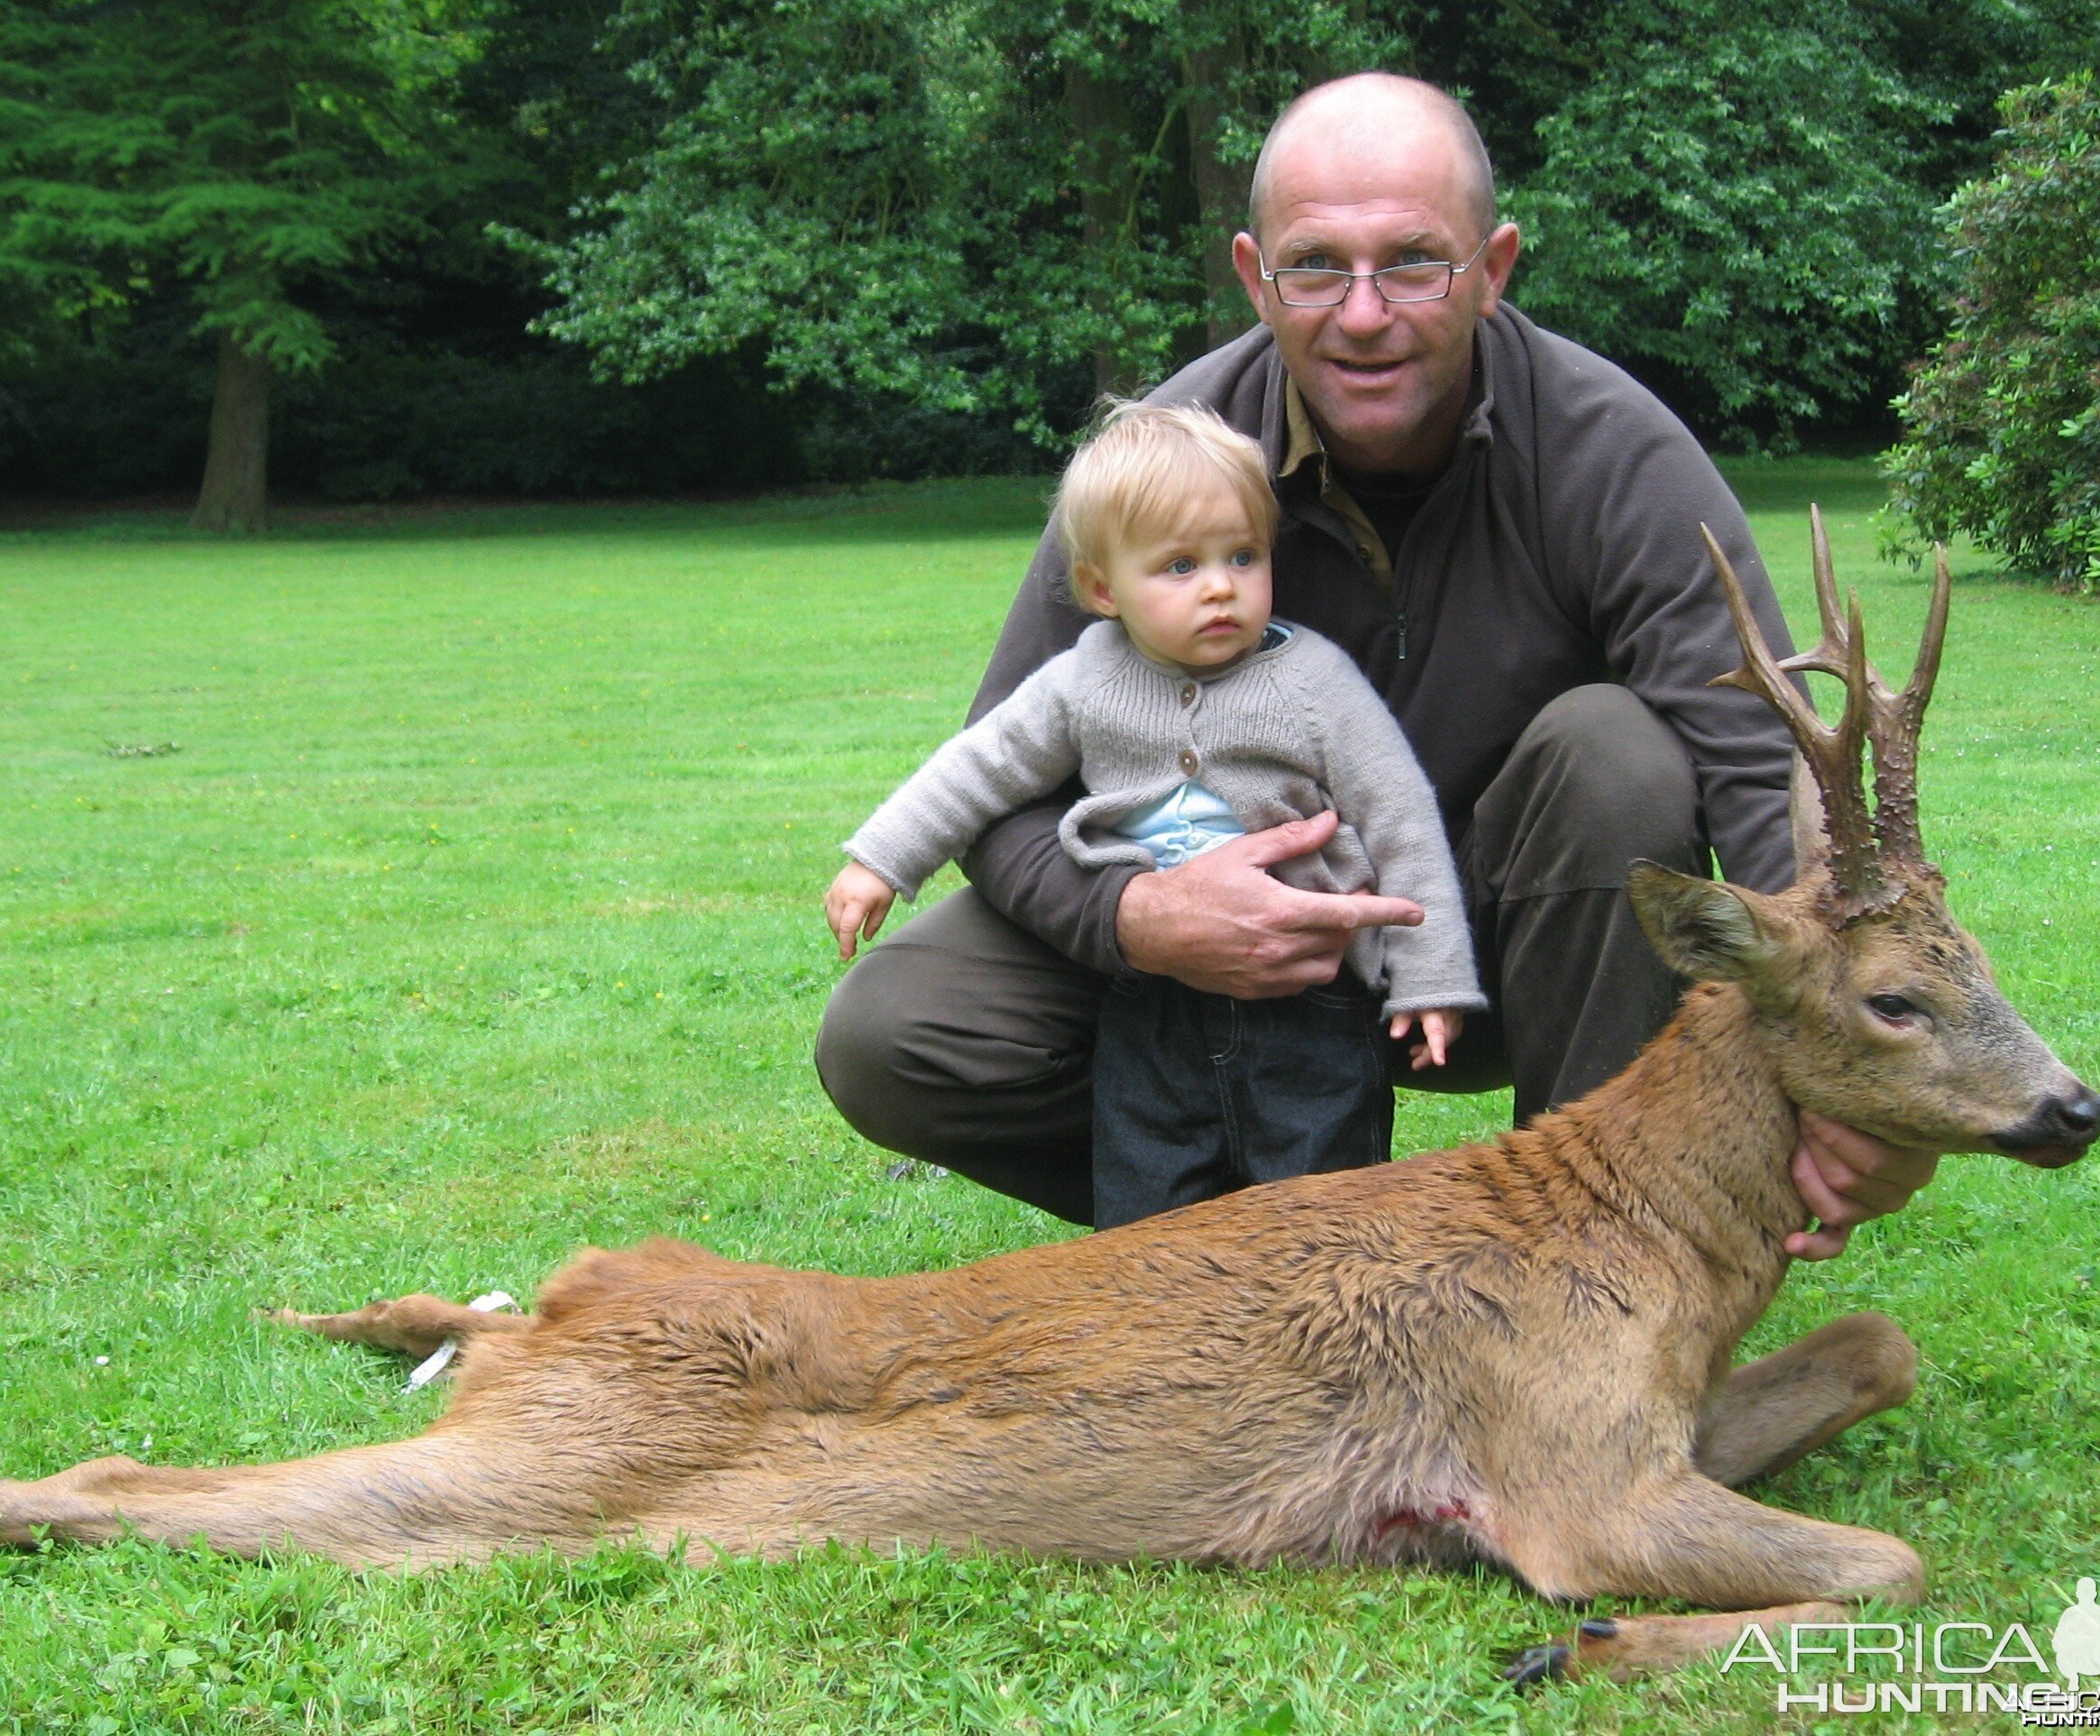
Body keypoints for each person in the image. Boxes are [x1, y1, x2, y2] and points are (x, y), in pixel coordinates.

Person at [816, 71, 1939, 1249]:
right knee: (896, 1031)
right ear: (1255, 274)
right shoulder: (1160, 467)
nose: (1362, 313)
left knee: (1616, 751)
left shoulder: (1615, 456)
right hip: (1211, 974)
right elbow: (1003, 783)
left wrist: (1838, 1071)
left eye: (1414, 261)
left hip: (1508, 953)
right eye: (1315, 267)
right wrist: (1141, 915)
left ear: (1494, 265)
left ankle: (1585, 1268)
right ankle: (1248, 1250)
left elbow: (1767, 784)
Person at [827, 403, 1485, 1227]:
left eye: (1242, 556)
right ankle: (1160, 1352)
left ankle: (1317, 1354)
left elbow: (1402, 820)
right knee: (1143, 1216)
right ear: (1104, 588)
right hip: (1147, 1005)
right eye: (1180, 566)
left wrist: (1431, 975)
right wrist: (883, 856)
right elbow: (984, 765)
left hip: (1310, 1009)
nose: (1219, 586)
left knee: (1322, 1219)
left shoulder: (1315, 684)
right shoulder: (1085, 678)